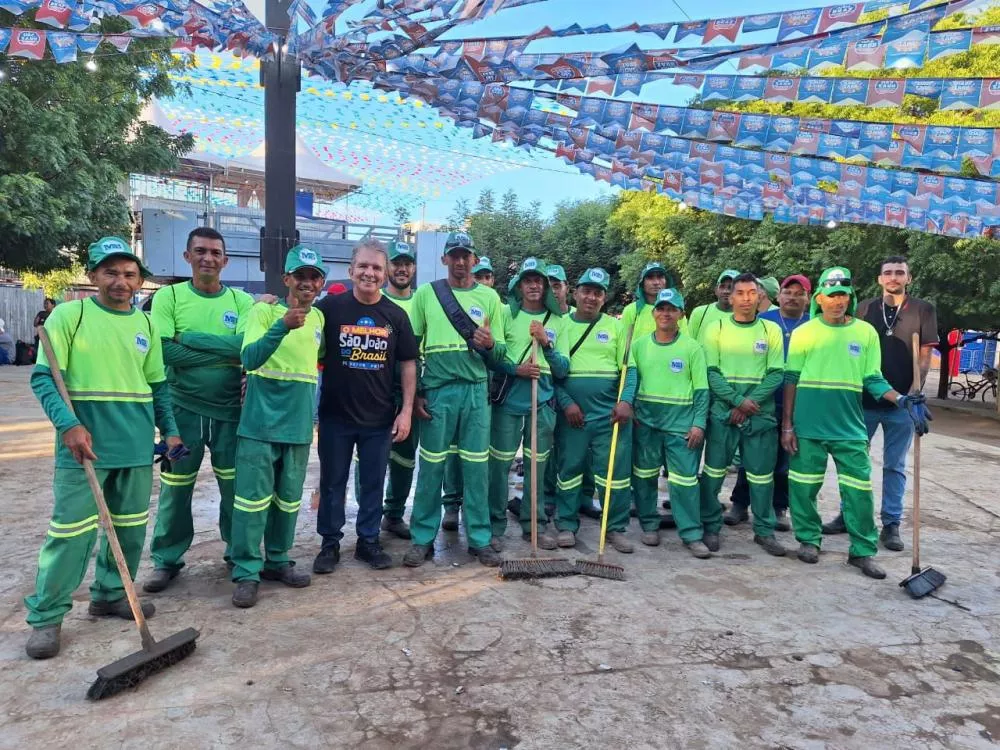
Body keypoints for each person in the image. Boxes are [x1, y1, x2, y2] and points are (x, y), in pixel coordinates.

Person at [24, 237, 181, 659]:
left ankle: (111, 594)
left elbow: (158, 387)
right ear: (93, 275)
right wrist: (69, 425)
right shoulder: (69, 317)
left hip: (134, 448)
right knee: (70, 535)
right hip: (83, 447)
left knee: (129, 531)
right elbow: (43, 378)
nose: (120, 282)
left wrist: (170, 431)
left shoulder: (146, 324)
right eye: (110, 272)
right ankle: (47, 617)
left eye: (129, 274)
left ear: (139, 280)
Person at [782, 266, 931, 579]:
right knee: (803, 489)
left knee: (859, 492)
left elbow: (873, 379)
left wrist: (902, 399)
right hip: (808, 426)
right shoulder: (804, 332)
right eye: (832, 295)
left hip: (849, 427)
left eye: (844, 296)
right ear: (819, 298)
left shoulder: (865, 333)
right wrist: (788, 425)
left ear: (850, 298)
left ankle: (862, 551)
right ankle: (809, 540)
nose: (838, 301)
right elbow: (791, 379)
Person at [142, 227, 255, 593]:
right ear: (187, 257)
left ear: (225, 260)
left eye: (215, 252)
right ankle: (166, 560)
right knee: (175, 489)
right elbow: (161, 351)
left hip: (229, 412)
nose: (208, 258)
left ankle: (239, 556)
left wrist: (186, 338)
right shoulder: (168, 297)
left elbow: (245, 348)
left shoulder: (241, 301)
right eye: (200, 251)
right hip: (181, 412)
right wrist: (222, 350)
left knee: (235, 490)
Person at [229, 246, 326, 608]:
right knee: (251, 502)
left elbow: (319, 361)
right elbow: (249, 358)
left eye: (314, 277)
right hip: (259, 422)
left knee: (288, 500)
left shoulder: (320, 320)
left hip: (298, 424)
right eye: (300, 275)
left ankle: (278, 560)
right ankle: (245, 572)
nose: (307, 282)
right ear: (286, 279)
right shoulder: (263, 310)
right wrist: (280, 327)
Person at [312, 241, 418, 573]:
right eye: (363, 266)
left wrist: (406, 411)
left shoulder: (396, 316)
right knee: (333, 482)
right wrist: (268, 304)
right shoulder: (328, 309)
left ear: (385, 274)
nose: (369, 273)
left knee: (373, 482)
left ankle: (367, 542)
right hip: (335, 417)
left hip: (378, 419)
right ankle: (329, 544)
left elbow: (409, 364)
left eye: (376, 268)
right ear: (351, 270)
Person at [403, 232, 507, 567]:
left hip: (476, 392)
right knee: (431, 466)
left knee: (476, 468)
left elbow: (501, 354)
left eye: (466, 255)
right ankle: (422, 539)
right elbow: (411, 349)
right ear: (445, 259)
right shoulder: (426, 294)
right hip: (437, 391)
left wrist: (490, 344)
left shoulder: (490, 297)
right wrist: (417, 392)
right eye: (454, 255)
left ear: (475, 260)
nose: (461, 261)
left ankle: (479, 538)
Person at [822, 256, 938, 552]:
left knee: (894, 466)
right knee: (853, 463)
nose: (894, 277)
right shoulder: (865, 309)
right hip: (863, 402)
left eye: (900, 273)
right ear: (879, 278)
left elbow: (924, 354)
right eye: (888, 273)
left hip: (902, 402)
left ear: (908, 278)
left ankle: (891, 524)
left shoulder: (923, 309)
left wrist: (915, 392)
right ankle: (849, 515)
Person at [698, 273, 786, 557]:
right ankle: (710, 526)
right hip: (724, 414)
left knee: (761, 477)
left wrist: (748, 404)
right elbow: (711, 372)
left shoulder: (770, 330)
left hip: (759, 416)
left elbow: (776, 374)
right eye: (740, 293)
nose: (746, 298)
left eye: (752, 292)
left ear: (760, 296)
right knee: (713, 473)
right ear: (731, 297)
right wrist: (736, 402)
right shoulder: (717, 327)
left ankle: (764, 531)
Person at [617, 288, 709, 554]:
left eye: (672, 309)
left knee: (684, 482)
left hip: (681, 427)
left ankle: (691, 534)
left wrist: (699, 423)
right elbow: (630, 381)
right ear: (654, 312)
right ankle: (649, 525)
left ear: (681, 314)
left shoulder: (692, 348)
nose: (665, 313)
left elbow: (702, 390)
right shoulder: (639, 345)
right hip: (646, 424)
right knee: (644, 477)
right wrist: (630, 408)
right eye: (661, 308)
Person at [487, 258, 569, 549]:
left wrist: (546, 342)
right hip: (509, 400)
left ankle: (534, 525)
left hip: (542, 401)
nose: (534, 285)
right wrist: (515, 369)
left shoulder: (558, 320)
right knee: (499, 464)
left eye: (539, 281)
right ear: (519, 286)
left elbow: (562, 369)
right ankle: (494, 526)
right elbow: (493, 356)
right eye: (527, 280)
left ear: (546, 286)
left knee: (537, 467)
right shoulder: (505, 314)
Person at [552, 269, 633, 550]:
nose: (591, 296)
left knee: (613, 474)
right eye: (586, 290)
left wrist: (626, 401)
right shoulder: (561, 324)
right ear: (575, 293)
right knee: (570, 469)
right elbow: (553, 372)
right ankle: (566, 524)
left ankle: (615, 527)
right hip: (573, 415)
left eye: (598, 292)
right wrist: (567, 403)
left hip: (609, 415)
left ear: (604, 298)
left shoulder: (616, 327)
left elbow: (629, 370)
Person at [726, 274, 811, 531]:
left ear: (808, 298)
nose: (793, 297)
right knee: (750, 457)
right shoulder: (763, 322)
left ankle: (779, 507)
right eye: (788, 292)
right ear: (778, 296)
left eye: (799, 293)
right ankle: (740, 504)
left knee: (785, 459)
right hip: (761, 401)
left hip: (798, 403)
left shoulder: (813, 325)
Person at [380, 239, 420, 540]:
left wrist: (419, 394)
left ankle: (394, 515)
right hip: (374, 393)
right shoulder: (373, 299)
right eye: (396, 263)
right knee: (370, 458)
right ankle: (368, 519)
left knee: (405, 458)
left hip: (410, 394)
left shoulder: (423, 302)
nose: (402, 268)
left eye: (407, 263)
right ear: (387, 267)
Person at [542, 263, 571, 514]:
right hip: (548, 395)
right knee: (548, 448)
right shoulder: (540, 317)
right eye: (548, 284)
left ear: (566, 288)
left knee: (571, 449)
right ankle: (548, 495)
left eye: (557, 284)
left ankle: (577, 497)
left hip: (574, 395)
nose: (553, 289)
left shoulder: (571, 320)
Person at [620, 261, 678, 341]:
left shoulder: (676, 310)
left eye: (660, 277)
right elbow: (622, 343)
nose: (656, 282)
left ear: (666, 281)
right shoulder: (632, 310)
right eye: (650, 277)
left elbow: (685, 343)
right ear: (642, 283)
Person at [688, 269, 740, 341]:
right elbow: (689, 344)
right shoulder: (700, 313)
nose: (726, 291)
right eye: (722, 286)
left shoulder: (746, 318)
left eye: (731, 288)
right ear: (716, 290)